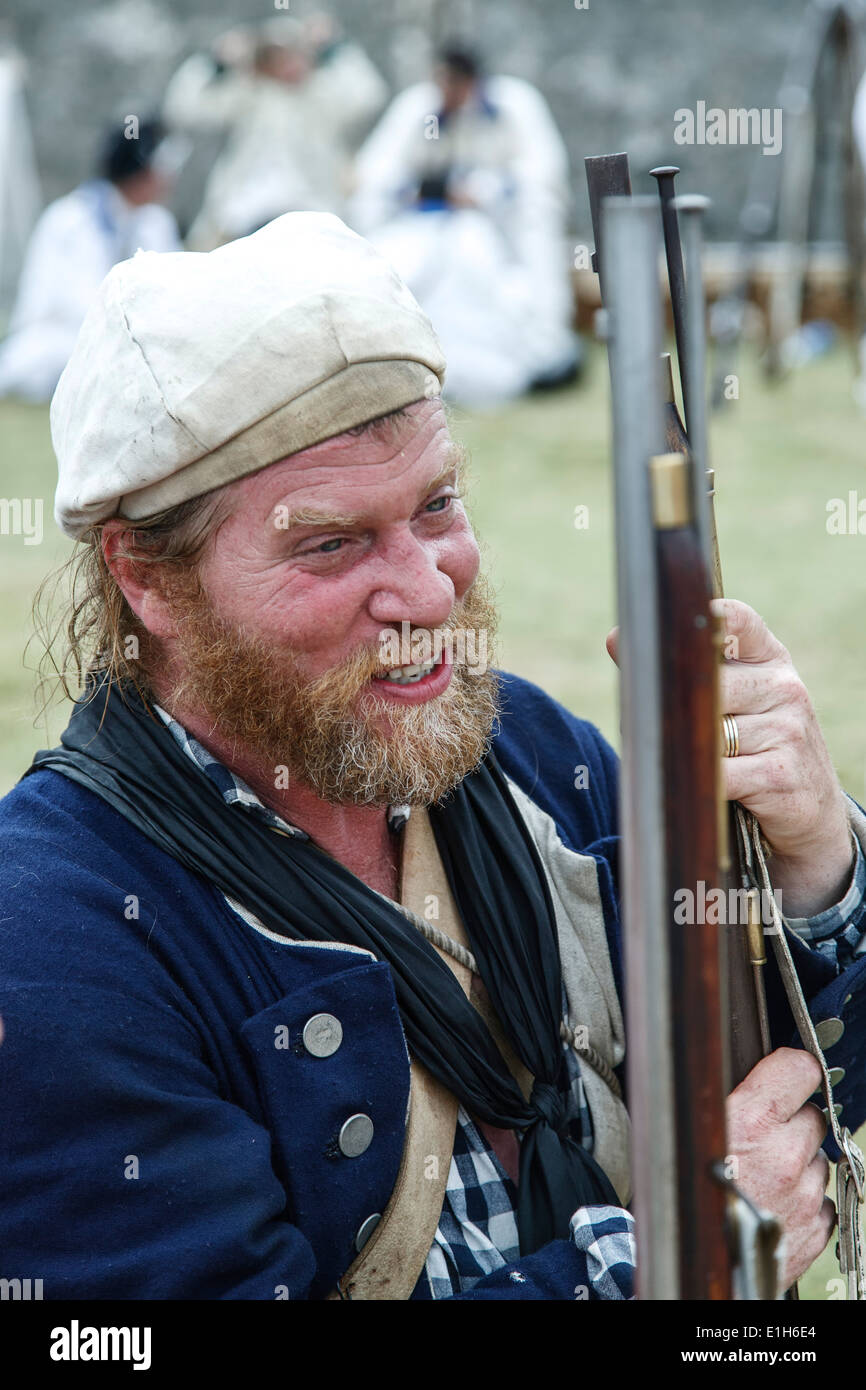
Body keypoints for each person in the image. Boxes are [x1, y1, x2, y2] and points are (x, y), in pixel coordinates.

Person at [0, 211, 863, 1300]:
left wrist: (809, 860)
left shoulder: (531, 756)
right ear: (146, 578)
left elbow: (797, 1094)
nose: (423, 589)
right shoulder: (48, 937)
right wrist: (666, 1268)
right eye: (331, 543)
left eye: (436, 505)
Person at [351, 45, 580, 405]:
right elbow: (375, 172)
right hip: (426, 226)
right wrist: (422, 190)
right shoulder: (419, 107)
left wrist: (484, 191)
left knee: (531, 231)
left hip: (502, 228)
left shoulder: (516, 104)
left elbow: (542, 173)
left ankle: (542, 344)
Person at [163, 15, 386, 249]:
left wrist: (336, 49)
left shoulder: (323, 95)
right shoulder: (247, 95)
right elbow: (183, 107)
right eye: (275, 58)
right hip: (244, 217)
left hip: (315, 213)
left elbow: (370, 95)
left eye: (292, 54)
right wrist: (214, 60)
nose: (286, 65)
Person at [0, 118, 180, 403]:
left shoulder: (157, 224)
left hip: (134, 340)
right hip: (64, 337)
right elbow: (72, 302)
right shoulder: (69, 219)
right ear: (141, 173)